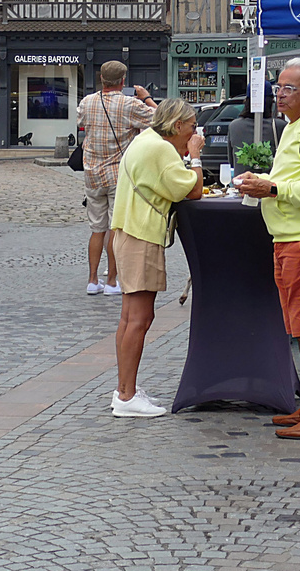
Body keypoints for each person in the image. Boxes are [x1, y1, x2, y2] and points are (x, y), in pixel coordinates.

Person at [235, 58, 300, 441]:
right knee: (299, 325)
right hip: (288, 236)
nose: (279, 94)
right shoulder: (294, 128)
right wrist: (263, 181)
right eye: (278, 87)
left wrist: (272, 189)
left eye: (288, 88)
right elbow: (292, 179)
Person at [107, 99, 205, 418]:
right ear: (177, 126)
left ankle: (125, 389)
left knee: (129, 318)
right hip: (142, 235)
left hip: (126, 231)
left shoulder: (143, 140)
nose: (194, 131)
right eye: (191, 126)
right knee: (139, 319)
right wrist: (196, 156)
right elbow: (193, 190)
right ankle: (126, 395)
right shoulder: (161, 149)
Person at [79, 61, 156, 295]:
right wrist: (147, 97)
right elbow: (162, 119)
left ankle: (93, 281)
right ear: (123, 81)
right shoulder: (130, 104)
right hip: (118, 173)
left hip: (92, 172)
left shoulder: (87, 102)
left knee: (96, 228)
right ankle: (112, 281)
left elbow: (82, 124)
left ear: (101, 79)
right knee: (115, 228)